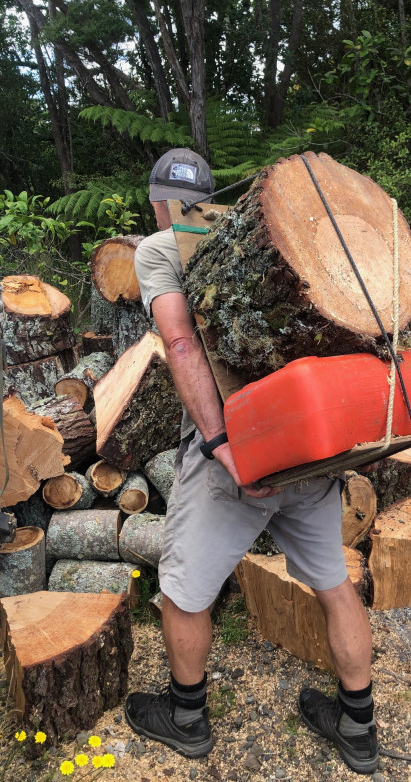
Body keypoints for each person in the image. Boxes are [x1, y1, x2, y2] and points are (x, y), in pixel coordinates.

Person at [125, 148, 379, 775]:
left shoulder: (160, 248)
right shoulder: (269, 235)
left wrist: (219, 445)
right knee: (334, 586)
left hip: (233, 456)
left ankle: (186, 719)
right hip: (312, 453)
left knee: (184, 594)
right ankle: (359, 728)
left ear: (160, 201)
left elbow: (180, 340)